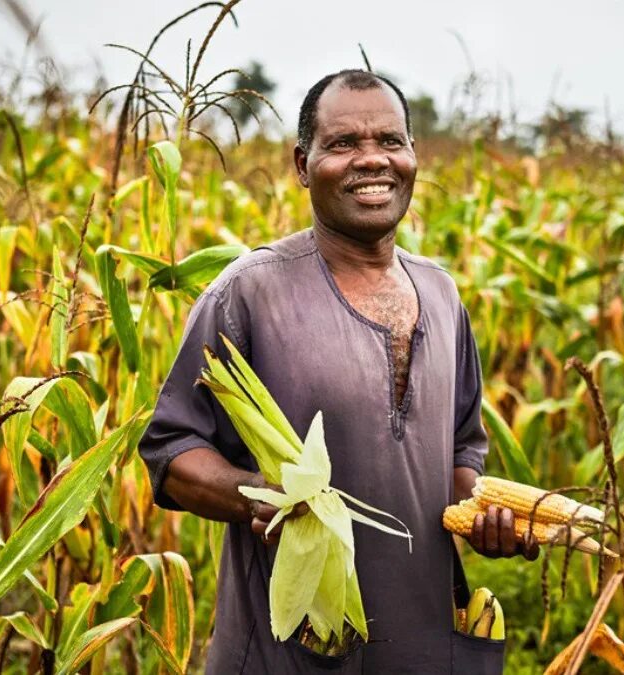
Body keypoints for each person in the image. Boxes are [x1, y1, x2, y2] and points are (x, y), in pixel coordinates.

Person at [137, 69, 536, 674]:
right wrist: (256, 496)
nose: (371, 161)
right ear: (303, 164)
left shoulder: (442, 292)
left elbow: (459, 454)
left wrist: (488, 518)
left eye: (390, 142)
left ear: (412, 157)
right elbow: (171, 450)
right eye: (343, 144)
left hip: (425, 646)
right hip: (289, 654)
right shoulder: (249, 293)